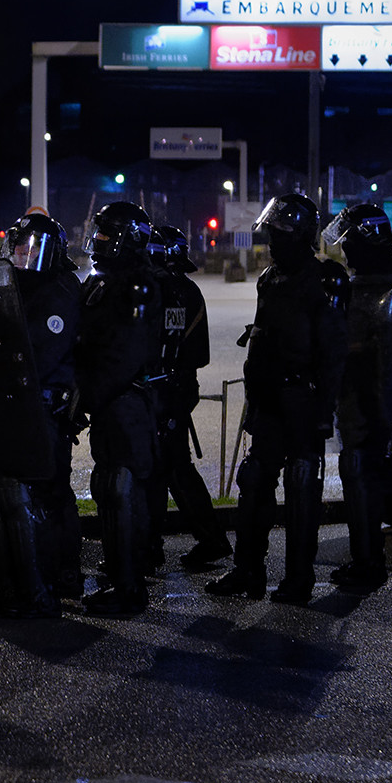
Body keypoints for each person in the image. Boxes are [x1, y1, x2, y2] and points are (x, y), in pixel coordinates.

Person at [207, 193, 348, 605]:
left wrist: (325, 411)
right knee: (253, 483)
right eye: (270, 231)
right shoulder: (270, 278)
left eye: (279, 232)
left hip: (302, 398)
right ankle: (247, 570)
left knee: (302, 488)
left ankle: (298, 578)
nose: (271, 239)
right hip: (268, 399)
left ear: (301, 235)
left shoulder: (325, 279)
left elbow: (334, 353)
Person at [0, 210, 82, 615]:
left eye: (29, 250)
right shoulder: (17, 287)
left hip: (41, 409)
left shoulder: (59, 291)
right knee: (10, 496)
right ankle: (15, 586)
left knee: (40, 497)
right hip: (13, 402)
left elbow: (38, 356)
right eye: (17, 249)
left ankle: (46, 587)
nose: (21, 257)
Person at [323, 203, 392, 594]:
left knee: (364, 474)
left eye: (348, 243)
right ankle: (364, 556)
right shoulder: (359, 281)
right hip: (353, 392)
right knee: (355, 473)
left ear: (365, 241)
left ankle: (370, 560)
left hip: (381, 392)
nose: (345, 253)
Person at [75, 201, 163, 616]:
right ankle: (121, 579)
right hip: (108, 401)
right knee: (108, 487)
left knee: (121, 489)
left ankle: (130, 587)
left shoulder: (138, 285)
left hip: (126, 400)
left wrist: (87, 394)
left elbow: (125, 355)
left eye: (109, 233)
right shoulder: (101, 280)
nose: (100, 239)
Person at [144, 225, 229, 571]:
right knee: (171, 469)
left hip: (168, 391)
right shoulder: (179, 289)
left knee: (163, 470)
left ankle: (154, 547)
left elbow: (172, 347)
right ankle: (207, 541)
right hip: (173, 390)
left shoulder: (174, 292)